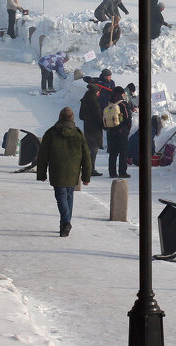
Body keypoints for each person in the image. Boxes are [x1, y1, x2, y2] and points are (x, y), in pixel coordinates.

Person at [35, 107, 92, 237]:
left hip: (57, 170)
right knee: (69, 196)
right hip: (73, 171)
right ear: (72, 118)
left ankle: (65, 222)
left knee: (61, 196)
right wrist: (86, 176)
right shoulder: (78, 134)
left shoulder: (50, 133)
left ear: (60, 117)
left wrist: (42, 174)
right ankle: (65, 224)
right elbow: (86, 157)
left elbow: (43, 155)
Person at [103, 86, 132, 178]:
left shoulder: (109, 103)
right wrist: (127, 129)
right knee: (123, 153)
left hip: (110, 130)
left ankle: (112, 173)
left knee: (113, 153)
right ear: (122, 93)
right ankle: (122, 172)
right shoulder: (123, 104)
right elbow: (127, 117)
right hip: (121, 131)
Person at [78, 83, 105, 176]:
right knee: (93, 150)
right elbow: (98, 117)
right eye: (98, 92)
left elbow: (81, 116)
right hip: (95, 130)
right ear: (95, 92)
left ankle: (85, 168)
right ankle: (90, 169)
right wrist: (104, 126)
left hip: (87, 128)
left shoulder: (84, 100)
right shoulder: (94, 101)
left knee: (88, 149)